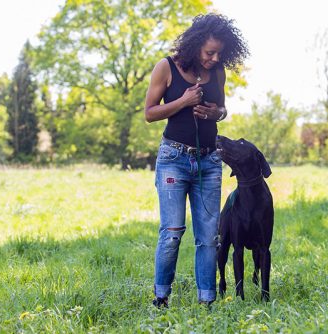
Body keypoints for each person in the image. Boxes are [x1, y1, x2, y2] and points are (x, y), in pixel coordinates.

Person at [144, 13, 249, 307]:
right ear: (194, 45)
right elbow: (150, 113)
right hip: (173, 159)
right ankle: (161, 297)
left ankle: (207, 301)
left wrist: (216, 113)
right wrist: (183, 102)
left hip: (209, 162)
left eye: (219, 53)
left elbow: (223, 109)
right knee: (172, 232)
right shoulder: (166, 67)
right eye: (209, 52)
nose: (215, 58)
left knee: (209, 238)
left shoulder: (217, 72)